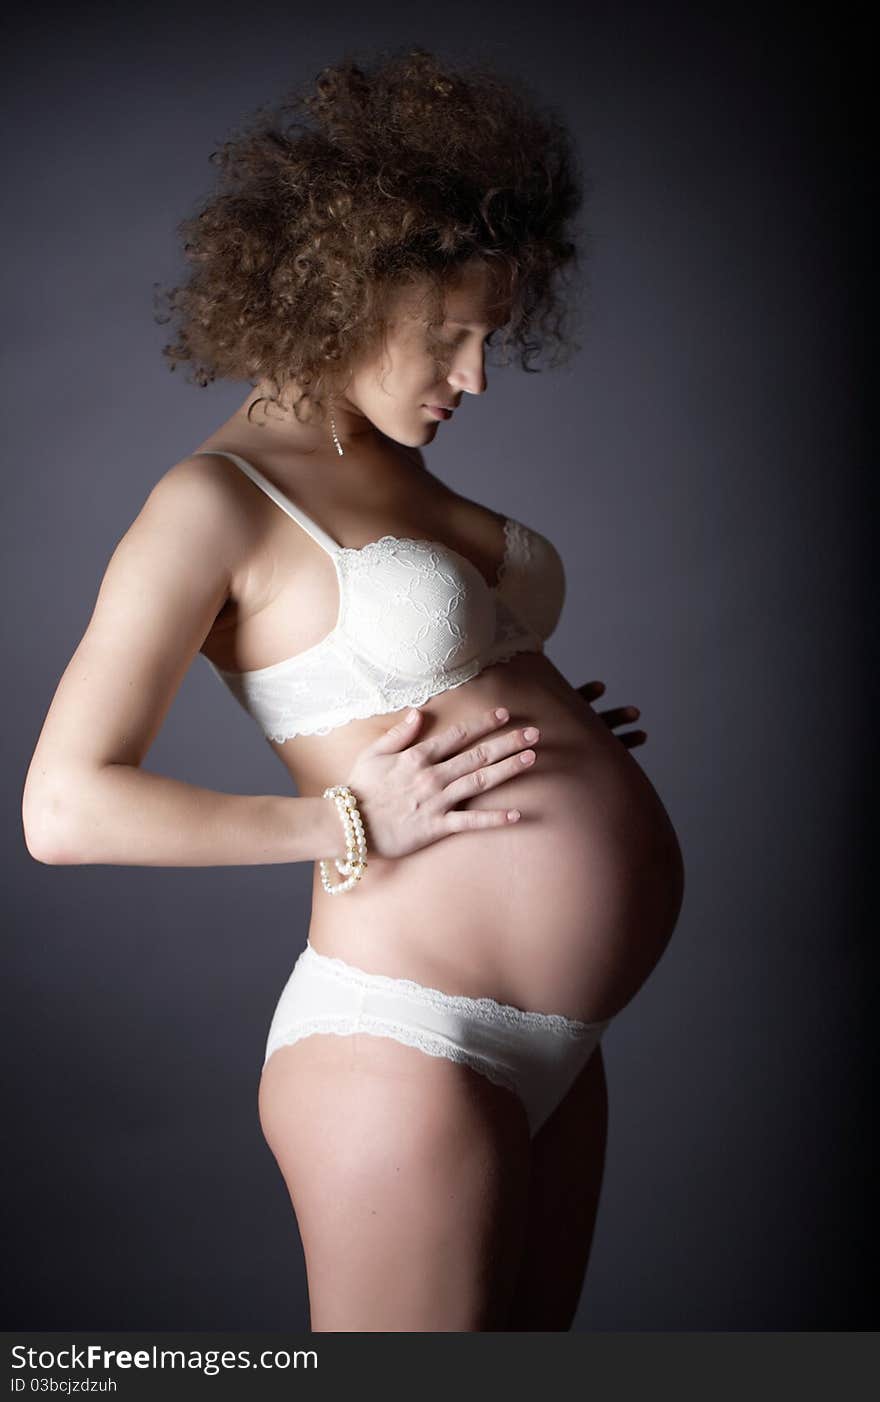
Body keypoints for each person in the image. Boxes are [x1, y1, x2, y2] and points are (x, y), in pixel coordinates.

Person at [22, 47, 685, 1331]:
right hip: (407, 1044)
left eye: (493, 335)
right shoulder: (212, 501)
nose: (476, 376)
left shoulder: (391, 458)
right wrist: (341, 820)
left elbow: (407, 676)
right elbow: (64, 809)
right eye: (448, 335)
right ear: (342, 292)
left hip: (556, 1047)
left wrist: (541, 735)